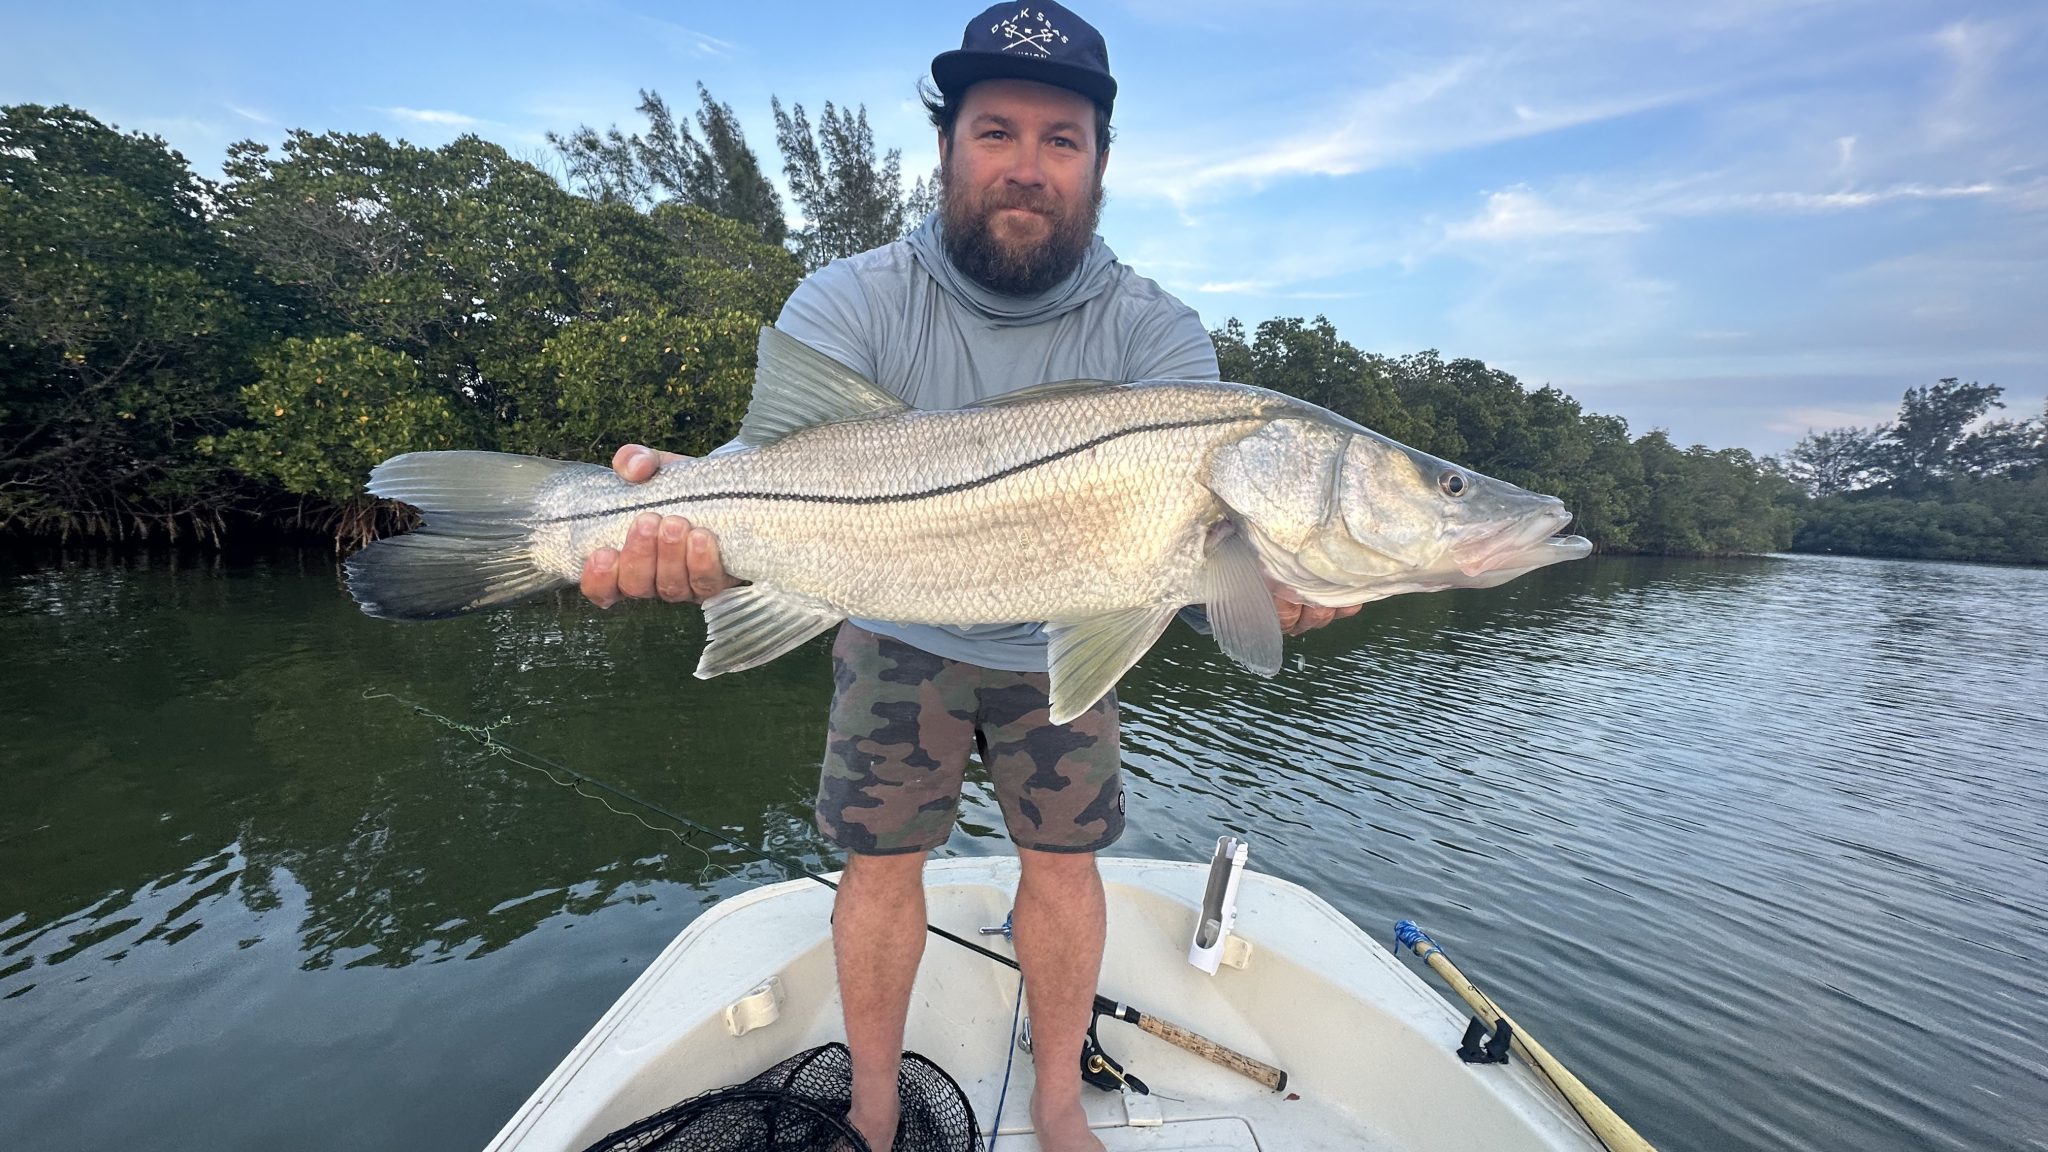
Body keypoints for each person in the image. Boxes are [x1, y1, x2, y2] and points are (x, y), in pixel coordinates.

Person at [581, 5, 1356, 1148]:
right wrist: (667, 510)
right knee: (879, 865)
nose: (1026, 166)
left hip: (1078, 631)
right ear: (946, 147)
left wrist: (1266, 578)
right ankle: (877, 1105)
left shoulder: (1158, 337)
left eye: (1061, 139)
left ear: (1098, 164)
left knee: (1064, 864)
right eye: (995, 131)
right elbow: (760, 484)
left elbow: (1190, 562)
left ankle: (1054, 1103)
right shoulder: (848, 298)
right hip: (890, 626)